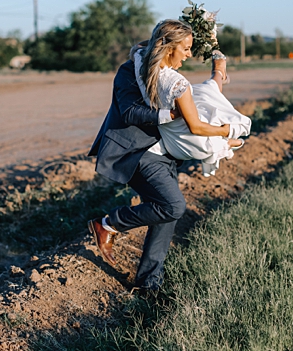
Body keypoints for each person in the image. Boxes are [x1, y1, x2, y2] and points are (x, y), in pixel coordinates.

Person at [87, 19, 241, 292]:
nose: (189, 54)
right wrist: (170, 115)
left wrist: (215, 52)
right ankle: (108, 223)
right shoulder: (128, 72)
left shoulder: (168, 72)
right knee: (173, 206)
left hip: (164, 153)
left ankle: (149, 285)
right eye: (186, 47)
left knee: (166, 215)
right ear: (167, 46)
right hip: (136, 153)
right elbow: (130, 112)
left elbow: (208, 85)